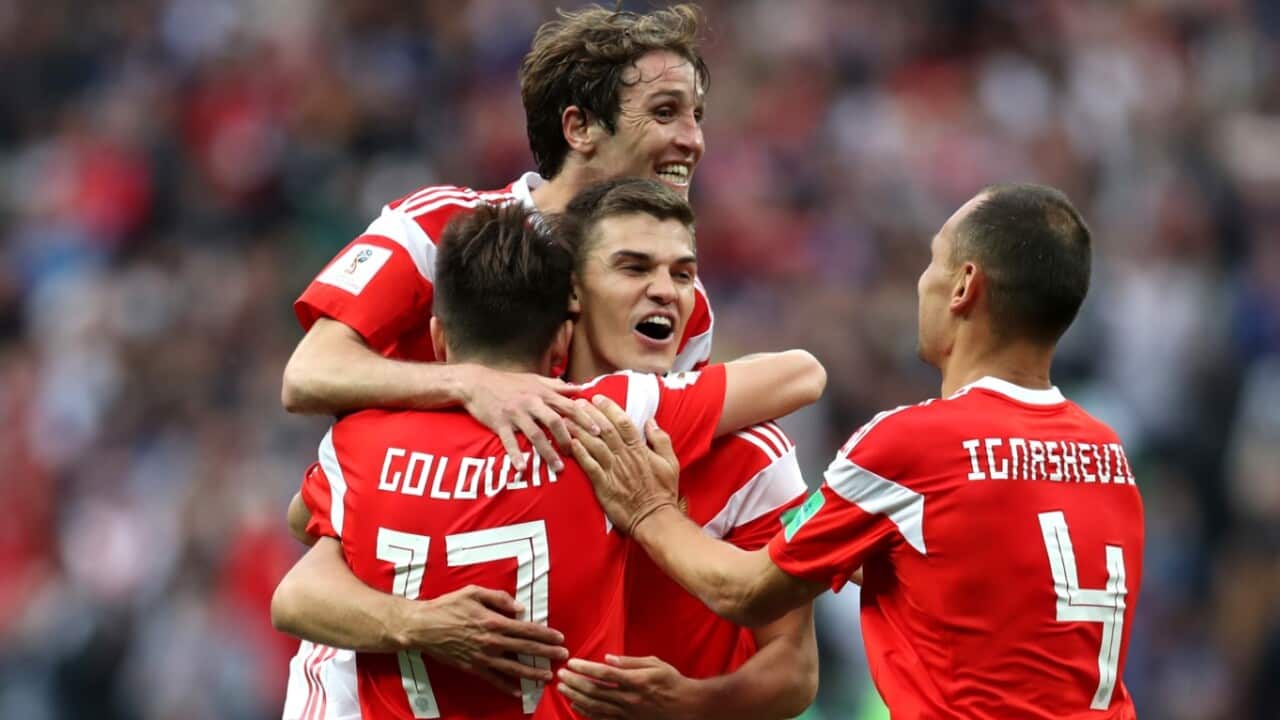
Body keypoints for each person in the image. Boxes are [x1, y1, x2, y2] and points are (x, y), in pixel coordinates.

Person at [570, 184, 1145, 719]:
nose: (922, 282)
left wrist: (649, 509)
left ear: (965, 286)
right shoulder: (1108, 452)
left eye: (932, 261)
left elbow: (745, 591)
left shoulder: (912, 445)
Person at [276, 179, 823, 719]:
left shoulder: (756, 452)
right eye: (633, 267)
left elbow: (794, 670)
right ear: (571, 298)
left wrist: (686, 704)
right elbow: (305, 575)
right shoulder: (549, 413)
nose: (666, 290)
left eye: (684, 274)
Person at [281, 3, 712, 469]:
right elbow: (309, 374)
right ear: (580, 127)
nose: (694, 140)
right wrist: (470, 384)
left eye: (697, 116)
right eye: (665, 113)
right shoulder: (438, 225)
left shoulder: (678, 299)